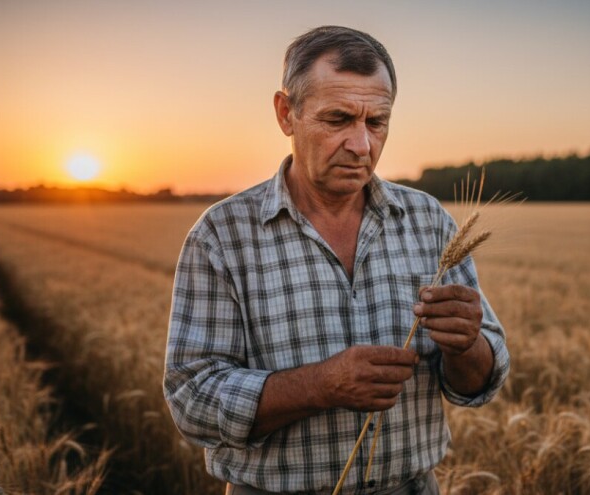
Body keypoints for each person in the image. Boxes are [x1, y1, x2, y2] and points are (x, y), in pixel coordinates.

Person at [163, 26, 510, 495]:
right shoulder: (221, 236)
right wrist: (320, 385)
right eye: (338, 119)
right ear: (287, 114)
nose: (361, 145)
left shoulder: (430, 223)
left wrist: (466, 345)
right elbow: (190, 400)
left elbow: (478, 383)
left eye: (376, 122)